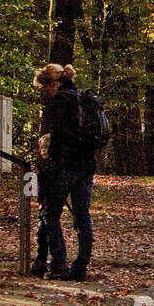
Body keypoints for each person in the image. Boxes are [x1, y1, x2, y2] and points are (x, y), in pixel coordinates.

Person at [33, 62, 96, 280]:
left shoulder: (61, 100)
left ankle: (59, 264)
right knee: (82, 216)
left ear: (54, 82)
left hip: (65, 167)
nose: (46, 91)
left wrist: (50, 164)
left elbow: (58, 137)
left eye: (46, 86)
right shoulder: (83, 98)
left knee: (50, 214)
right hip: (87, 167)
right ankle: (81, 267)